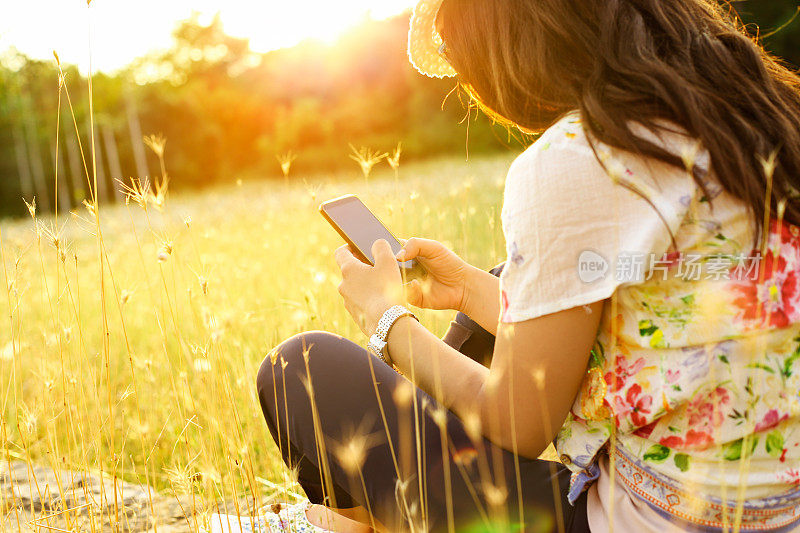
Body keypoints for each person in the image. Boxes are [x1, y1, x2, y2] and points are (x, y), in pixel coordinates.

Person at [243, 0, 800, 531]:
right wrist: (465, 290)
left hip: (661, 521)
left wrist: (387, 320)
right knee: (506, 280)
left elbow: (520, 425)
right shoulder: (754, 112)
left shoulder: (578, 156)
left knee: (299, 365)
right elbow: (643, 317)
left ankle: (371, 519)